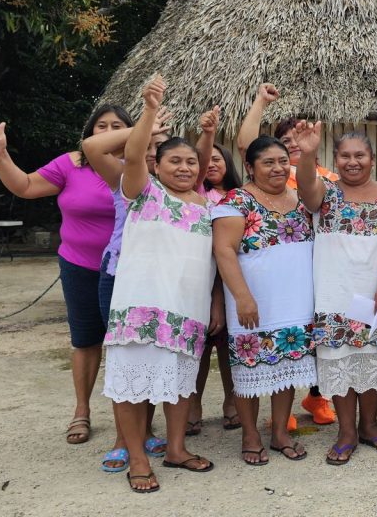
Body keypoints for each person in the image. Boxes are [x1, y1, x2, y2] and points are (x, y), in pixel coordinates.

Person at [0, 108, 124, 446]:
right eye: (101, 126)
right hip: (79, 265)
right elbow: (26, 186)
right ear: (89, 132)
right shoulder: (71, 164)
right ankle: (82, 410)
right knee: (86, 339)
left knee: (126, 343)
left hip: (126, 268)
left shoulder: (140, 164)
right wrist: (1, 155)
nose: (108, 131)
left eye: (117, 126)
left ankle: (131, 421)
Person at [102, 75, 216, 492]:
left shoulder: (206, 204)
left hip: (187, 308)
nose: (184, 168)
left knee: (180, 384)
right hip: (141, 304)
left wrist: (208, 135)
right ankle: (136, 459)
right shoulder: (143, 191)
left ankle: (176, 448)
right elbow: (132, 156)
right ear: (157, 165)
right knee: (132, 384)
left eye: (190, 163)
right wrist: (150, 111)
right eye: (175, 162)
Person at [293, 124, 377, 465]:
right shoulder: (326, 193)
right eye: (344, 156)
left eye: (359, 155)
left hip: (376, 293)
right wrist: (307, 153)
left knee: (375, 355)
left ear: (372, 159)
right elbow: (305, 189)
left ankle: (370, 426)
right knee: (341, 358)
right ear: (335, 160)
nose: (352, 161)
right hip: (335, 292)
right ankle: (346, 431)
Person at [82, 106, 180, 470]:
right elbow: (92, 146)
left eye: (159, 150)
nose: (152, 155)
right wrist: (144, 125)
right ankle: (124, 438)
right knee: (125, 359)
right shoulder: (125, 176)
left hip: (161, 283)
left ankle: (145, 429)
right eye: (147, 149)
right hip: (121, 276)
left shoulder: (179, 189)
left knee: (152, 355)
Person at [212, 135, 317, 466]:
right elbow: (224, 250)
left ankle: (280, 433)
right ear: (249, 167)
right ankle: (250, 435)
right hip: (253, 301)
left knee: (286, 367)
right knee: (248, 371)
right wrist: (243, 297)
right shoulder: (236, 201)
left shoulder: (301, 200)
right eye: (268, 162)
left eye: (282, 161)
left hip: (295, 300)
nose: (277, 168)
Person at [236, 82, 336, 426]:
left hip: (314, 267)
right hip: (275, 270)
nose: (293, 144)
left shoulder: (327, 178)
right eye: (286, 139)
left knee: (306, 341)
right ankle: (280, 416)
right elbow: (247, 145)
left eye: (298, 138)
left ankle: (315, 397)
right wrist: (261, 102)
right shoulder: (276, 174)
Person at [189, 141, 242, 435]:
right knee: (201, 344)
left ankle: (231, 402)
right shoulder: (198, 194)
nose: (211, 165)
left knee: (229, 346)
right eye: (205, 161)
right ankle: (193, 406)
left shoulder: (240, 196)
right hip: (202, 273)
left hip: (232, 275)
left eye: (216, 160)